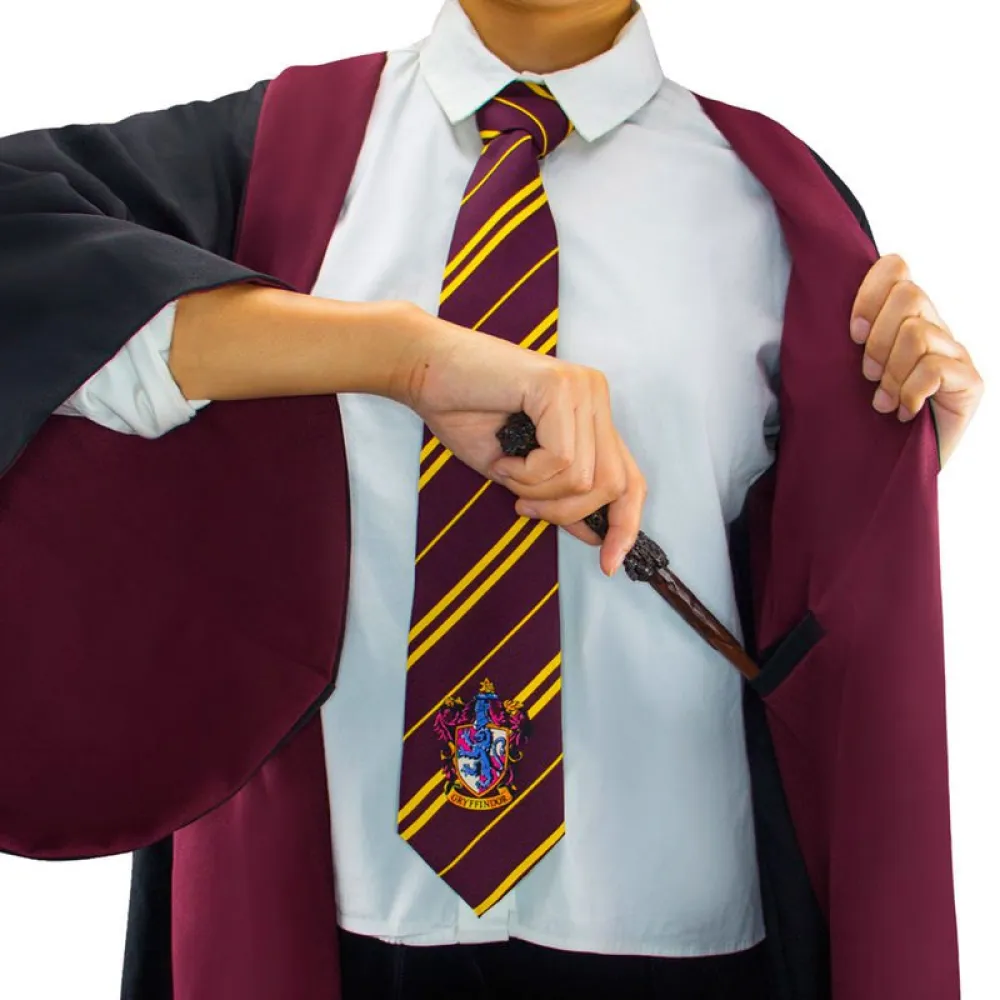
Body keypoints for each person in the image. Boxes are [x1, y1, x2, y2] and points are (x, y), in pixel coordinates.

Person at [0, 2, 984, 999]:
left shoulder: (776, 203)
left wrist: (892, 461)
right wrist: (400, 356)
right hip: (329, 922)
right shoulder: (277, 152)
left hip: (675, 928)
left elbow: (801, 589)